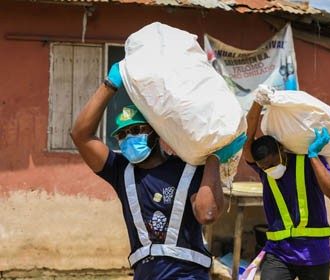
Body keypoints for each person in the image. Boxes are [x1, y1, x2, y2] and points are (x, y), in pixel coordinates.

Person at [70, 62, 246, 279]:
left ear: (155, 132)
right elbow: (80, 134)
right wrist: (110, 84)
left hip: (187, 275)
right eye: (122, 135)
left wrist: (213, 159)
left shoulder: (188, 166)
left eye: (135, 130)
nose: (128, 138)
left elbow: (207, 213)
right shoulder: (121, 171)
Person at [242, 87, 330, 280]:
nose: (270, 169)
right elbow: (247, 140)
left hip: (314, 254)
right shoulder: (264, 171)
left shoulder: (307, 162)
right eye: (264, 167)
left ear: (281, 150)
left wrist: (313, 155)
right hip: (278, 254)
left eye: (272, 163)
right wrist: (257, 101)